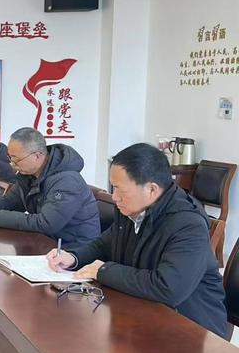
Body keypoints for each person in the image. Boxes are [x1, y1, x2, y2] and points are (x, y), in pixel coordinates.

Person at [46, 143, 228, 338]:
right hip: (143, 314)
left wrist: (104, 271)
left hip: (191, 331)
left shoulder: (188, 225)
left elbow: (168, 288)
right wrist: (73, 257)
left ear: (151, 189)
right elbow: (104, 245)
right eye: (113, 187)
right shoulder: (133, 208)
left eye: (120, 190)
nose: (115, 197)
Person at [0, 127, 99, 246]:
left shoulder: (67, 180)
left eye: (16, 159)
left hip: (72, 249)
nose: (12, 164)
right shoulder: (29, 174)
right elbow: (12, 200)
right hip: (46, 242)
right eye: (10, 157)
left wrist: (0, 217)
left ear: (37, 156)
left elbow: (47, 223)